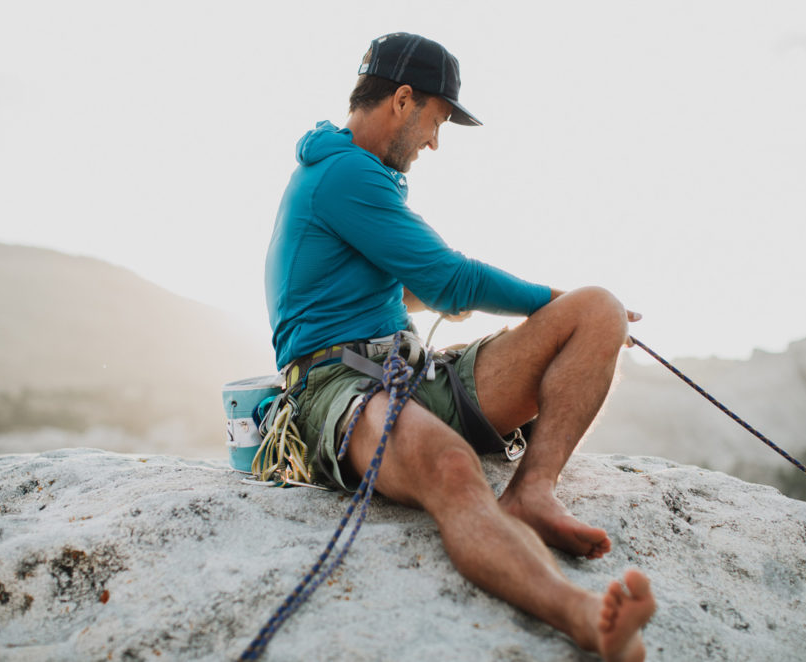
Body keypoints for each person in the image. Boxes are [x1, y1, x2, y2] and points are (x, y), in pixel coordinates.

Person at [265, 32, 656, 661]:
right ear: (401, 100)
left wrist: (454, 292)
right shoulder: (342, 174)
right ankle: (584, 616)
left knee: (597, 311)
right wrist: (537, 295)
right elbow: (449, 278)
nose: (434, 143)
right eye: (436, 121)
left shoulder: (355, 173)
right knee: (451, 466)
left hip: (409, 372)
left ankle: (532, 489)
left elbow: (408, 288)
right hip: (336, 387)